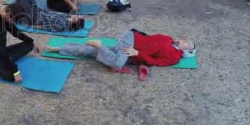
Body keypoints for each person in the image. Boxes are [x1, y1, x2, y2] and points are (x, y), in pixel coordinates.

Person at [46, 29, 196, 80]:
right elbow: (148, 40)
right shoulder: (169, 39)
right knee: (117, 63)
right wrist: (136, 51)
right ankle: (100, 44)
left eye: (188, 44)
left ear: (186, 51)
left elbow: (154, 61)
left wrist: (137, 54)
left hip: (132, 50)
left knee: (92, 53)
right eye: (187, 40)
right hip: (131, 40)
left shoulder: (174, 57)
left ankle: (59, 49)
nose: (186, 41)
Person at [0, 3, 36, 83]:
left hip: (3, 52)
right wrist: (16, 72)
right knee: (12, 76)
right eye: (12, 20)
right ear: (8, 12)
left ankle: (8, 60)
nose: (12, 22)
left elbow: (15, 32)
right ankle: (8, 62)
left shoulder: (4, 17)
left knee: (29, 45)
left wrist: (31, 40)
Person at [15, 0, 85, 32]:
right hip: (38, 10)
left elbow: (45, 27)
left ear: (75, 20)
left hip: (32, 16)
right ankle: (19, 10)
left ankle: (16, 12)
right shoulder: (68, 16)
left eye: (78, 16)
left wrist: (31, 25)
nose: (77, 15)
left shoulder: (61, 24)